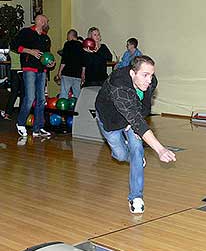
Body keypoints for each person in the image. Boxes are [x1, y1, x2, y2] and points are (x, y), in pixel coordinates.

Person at [95, 55, 176, 214]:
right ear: (132, 73)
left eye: (151, 75)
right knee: (119, 155)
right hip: (110, 119)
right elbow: (135, 118)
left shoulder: (150, 82)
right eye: (145, 75)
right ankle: (135, 158)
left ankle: (136, 197)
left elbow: (143, 110)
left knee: (137, 149)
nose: (149, 80)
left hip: (132, 118)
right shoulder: (119, 86)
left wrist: (137, 126)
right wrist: (160, 149)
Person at [14, 15, 54, 137]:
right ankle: (20, 123)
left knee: (41, 100)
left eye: (46, 20)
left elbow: (47, 55)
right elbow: (15, 46)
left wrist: (51, 63)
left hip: (42, 71)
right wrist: (30, 51)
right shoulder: (26, 32)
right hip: (29, 69)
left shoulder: (46, 38)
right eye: (43, 19)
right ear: (38, 21)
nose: (45, 21)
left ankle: (38, 128)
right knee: (30, 98)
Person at [56, 29, 85, 98]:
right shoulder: (82, 46)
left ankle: (62, 108)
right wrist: (83, 73)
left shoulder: (67, 44)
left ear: (71, 36)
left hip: (67, 73)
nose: (67, 38)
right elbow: (84, 61)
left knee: (64, 94)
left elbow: (64, 60)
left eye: (67, 36)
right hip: (77, 74)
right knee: (77, 95)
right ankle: (77, 108)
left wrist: (59, 72)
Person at [1, 49, 24, 120]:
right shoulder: (21, 46)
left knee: (14, 93)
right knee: (23, 93)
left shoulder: (11, 46)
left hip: (14, 69)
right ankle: (21, 114)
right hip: (22, 69)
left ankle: (7, 114)